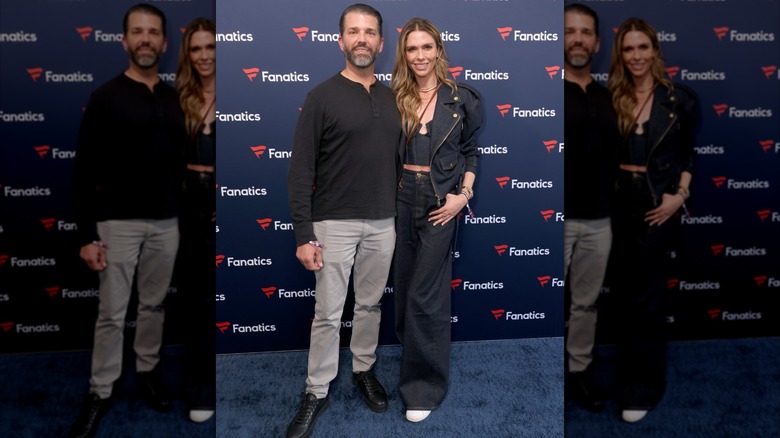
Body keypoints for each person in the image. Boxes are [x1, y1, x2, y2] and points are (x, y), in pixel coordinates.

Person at [69, 4, 186, 437]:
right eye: (137, 32)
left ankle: (148, 372)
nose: (146, 39)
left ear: (164, 43)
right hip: (116, 224)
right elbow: (82, 172)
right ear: (124, 41)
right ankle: (99, 391)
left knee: (153, 305)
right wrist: (87, 234)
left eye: (153, 33)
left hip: (166, 223)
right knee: (112, 313)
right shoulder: (105, 96)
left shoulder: (174, 97)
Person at [285, 4, 401, 438]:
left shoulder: (392, 98)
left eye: (370, 32)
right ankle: (316, 390)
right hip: (333, 223)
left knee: (370, 305)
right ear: (341, 41)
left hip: (383, 222)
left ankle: (363, 370)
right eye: (354, 31)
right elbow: (300, 171)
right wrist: (303, 234)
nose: (362, 39)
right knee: (329, 314)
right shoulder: (321, 96)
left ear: (381, 43)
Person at [390, 18, 483, 423]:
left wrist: (463, 196)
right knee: (406, 288)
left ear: (439, 50)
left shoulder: (461, 98)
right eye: (412, 49)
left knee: (425, 294)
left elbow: (472, 152)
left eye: (426, 47)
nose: (420, 56)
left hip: (440, 203)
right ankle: (413, 360)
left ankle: (423, 387)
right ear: (404, 55)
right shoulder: (394, 97)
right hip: (398, 199)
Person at [607, 17, 697, 423]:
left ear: (655, 51)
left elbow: (689, 153)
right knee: (625, 296)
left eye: (643, 48)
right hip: (616, 205)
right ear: (621, 55)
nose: (637, 56)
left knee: (647, 300)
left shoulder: (680, 100)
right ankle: (627, 375)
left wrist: (680, 195)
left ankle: (642, 387)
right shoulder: (613, 97)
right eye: (629, 49)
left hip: (656, 206)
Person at [562, 4, 619, 413]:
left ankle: (579, 371)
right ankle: (541, 370)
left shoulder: (609, 95)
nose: (578, 39)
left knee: (585, 303)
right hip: (556, 221)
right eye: (570, 32)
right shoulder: (548, 92)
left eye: (585, 33)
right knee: (547, 300)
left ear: (597, 43)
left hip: (600, 220)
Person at [174, 17, 217, 424]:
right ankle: (201, 387)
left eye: (211, 47)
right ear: (188, 54)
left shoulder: (238, 94)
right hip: (189, 207)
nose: (204, 56)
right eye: (196, 49)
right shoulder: (180, 97)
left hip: (228, 206)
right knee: (197, 301)